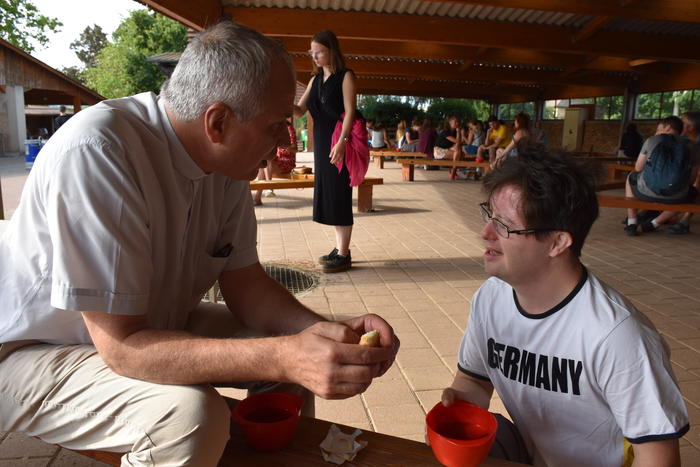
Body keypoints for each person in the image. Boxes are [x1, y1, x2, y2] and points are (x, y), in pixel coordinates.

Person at [0, 21, 399, 467]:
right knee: (190, 417)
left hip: (151, 323)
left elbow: (246, 285)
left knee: (296, 355)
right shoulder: (99, 150)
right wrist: (284, 356)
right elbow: (123, 346)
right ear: (219, 122)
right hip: (36, 350)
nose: (286, 143)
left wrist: (325, 334)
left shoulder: (225, 164)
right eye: (277, 126)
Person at [439, 149, 689, 466]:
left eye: (503, 225)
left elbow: (658, 458)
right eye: (488, 215)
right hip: (531, 452)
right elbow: (473, 381)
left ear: (558, 242)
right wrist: (456, 406)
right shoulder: (491, 299)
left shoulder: (618, 336)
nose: (485, 233)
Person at [295, 30, 358, 273]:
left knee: (340, 191)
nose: (314, 56)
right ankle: (340, 248)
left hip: (338, 142)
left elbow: (350, 111)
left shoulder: (346, 76)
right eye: (312, 52)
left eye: (318, 51)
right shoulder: (314, 80)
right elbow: (299, 111)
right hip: (322, 144)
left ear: (332, 50)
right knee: (330, 192)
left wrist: (342, 141)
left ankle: (344, 253)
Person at [623, 116, 700, 236]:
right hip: (677, 197)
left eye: (658, 129)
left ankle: (632, 222)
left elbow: (638, 168)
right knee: (691, 194)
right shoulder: (692, 146)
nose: (656, 132)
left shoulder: (652, 140)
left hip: (646, 192)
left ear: (667, 127)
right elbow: (692, 178)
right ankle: (654, 223)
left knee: (631, 176)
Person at [668, 110, 700, 234]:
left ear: (690, 127)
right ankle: (665, 213)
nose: (679, 124)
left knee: (698, 179)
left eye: (683, 122)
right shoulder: (685, 140)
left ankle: (685, 221)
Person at [253, 118, 297, 205]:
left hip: (287, 162)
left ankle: (269, 187)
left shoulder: (288, 128)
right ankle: (258, 197)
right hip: (275, 162)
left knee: (267, 160)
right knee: (263, 163)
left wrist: (282, 144)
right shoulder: (273, 128)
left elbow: (295, 149)